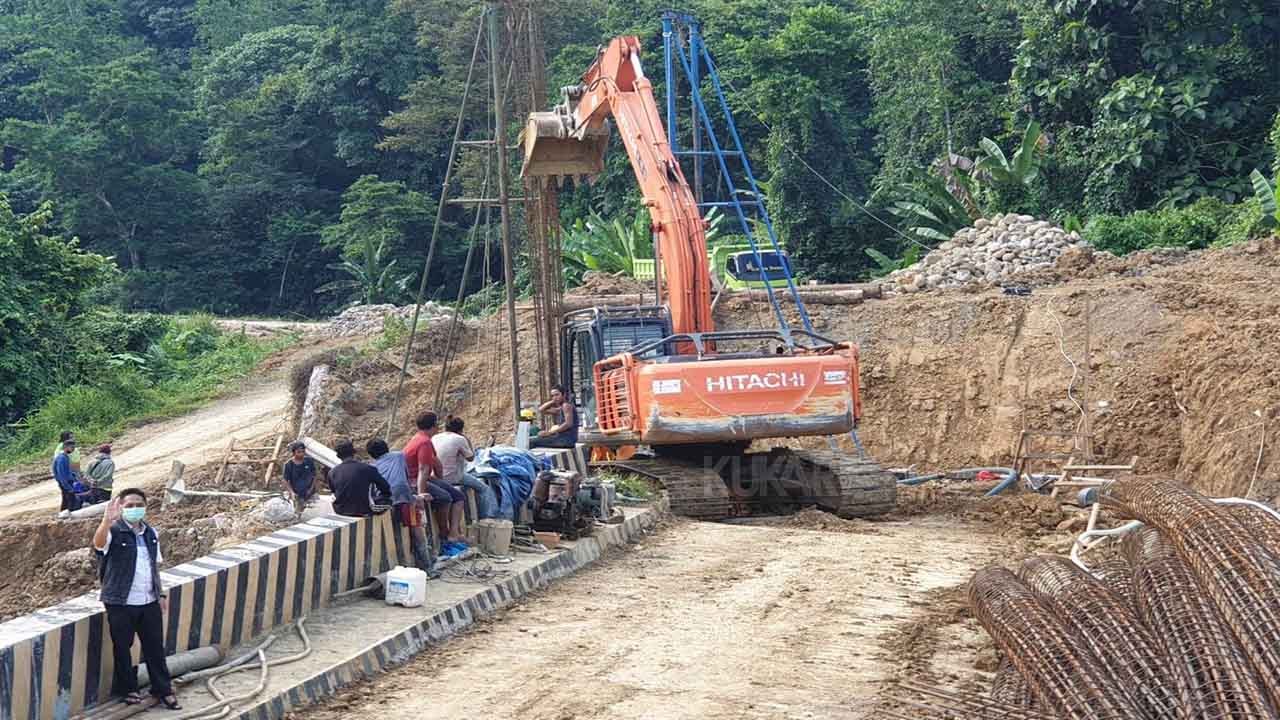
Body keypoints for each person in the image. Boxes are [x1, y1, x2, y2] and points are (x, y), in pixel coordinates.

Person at [92, 490, 180, 710]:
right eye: (129, 505)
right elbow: (98, 545)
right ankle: (128, 689)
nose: (134, 508)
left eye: (138, 504)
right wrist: (105, 521)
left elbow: (154, 566)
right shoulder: (114, 530)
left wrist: (160, 593)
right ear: (121, 507)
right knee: (123, 647)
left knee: (154, 648)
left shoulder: (150, 533)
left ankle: (163, 689)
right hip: (120, 602)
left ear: (145, 506)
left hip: (148, 600)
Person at [402, 412, 468, 554]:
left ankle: (454, 533)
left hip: (423, 477)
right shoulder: (424, 442)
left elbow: (436, 463)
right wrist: (421, 493)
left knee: (459, 496)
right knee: (445, 498)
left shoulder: (420, 439)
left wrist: (440, 481)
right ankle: (445, 535)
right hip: (414, 480)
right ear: (434, 426)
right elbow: (423, 468)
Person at [367, 438, 437, 571]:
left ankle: (411, 563)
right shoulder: (399, 455)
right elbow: (405, 478)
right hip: (403, 498)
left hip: (385, 501)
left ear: (371, 454)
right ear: (386, 447)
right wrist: (414, 497)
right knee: (418, 532)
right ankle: (428, 567)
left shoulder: (372, 466)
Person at [433, 416, 497, 519]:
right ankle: (487, 518)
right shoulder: (460, 439)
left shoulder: (435, 437)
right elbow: (471, 458)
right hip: (453, 477)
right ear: (460, 429)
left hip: (435, 476)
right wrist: (467, 440)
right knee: (484, 489)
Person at [327, 439, 391, 517]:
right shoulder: (368, 468)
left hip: (340, 510)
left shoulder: (332, 472)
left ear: (338, 456)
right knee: (389, 501)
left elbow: (334, 492)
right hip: (364, 510)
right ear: (354, 453)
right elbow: (386, 488)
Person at [530, 384, 578, 449]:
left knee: (531, 442)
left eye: (557, 395)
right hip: (563, 439)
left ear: (564, 395)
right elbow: (541, 410)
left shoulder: (566, 406)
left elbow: (568, 424)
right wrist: (553, 401)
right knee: (537, 438)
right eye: (552, 396)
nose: (554, 397)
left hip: (565, 440)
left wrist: (549, 433)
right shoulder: (561, 409)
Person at [53, 438, 86, 518]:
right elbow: (62, 475)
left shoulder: (65, 457)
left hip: (68, 483)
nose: (73, 449)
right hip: (66, 484)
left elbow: (68, 471)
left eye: (74, 447)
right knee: (70, 501)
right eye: (72, 447)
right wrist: (68, 487)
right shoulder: (62, 458)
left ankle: (63, 516)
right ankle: (68, 517)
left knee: (66, 501)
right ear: (65, 447)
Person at [280, 441, 317, 511]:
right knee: (298, 511)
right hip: (296, 493)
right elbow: (285, 480)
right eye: (299, 452)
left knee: (310, 511)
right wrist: (291, 492)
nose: (301, 454)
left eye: (303, 451)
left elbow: (314, 476)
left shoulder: (309, 461)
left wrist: (311, 489)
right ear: (294, 453)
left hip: (309, 492)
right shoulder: (289, 465)